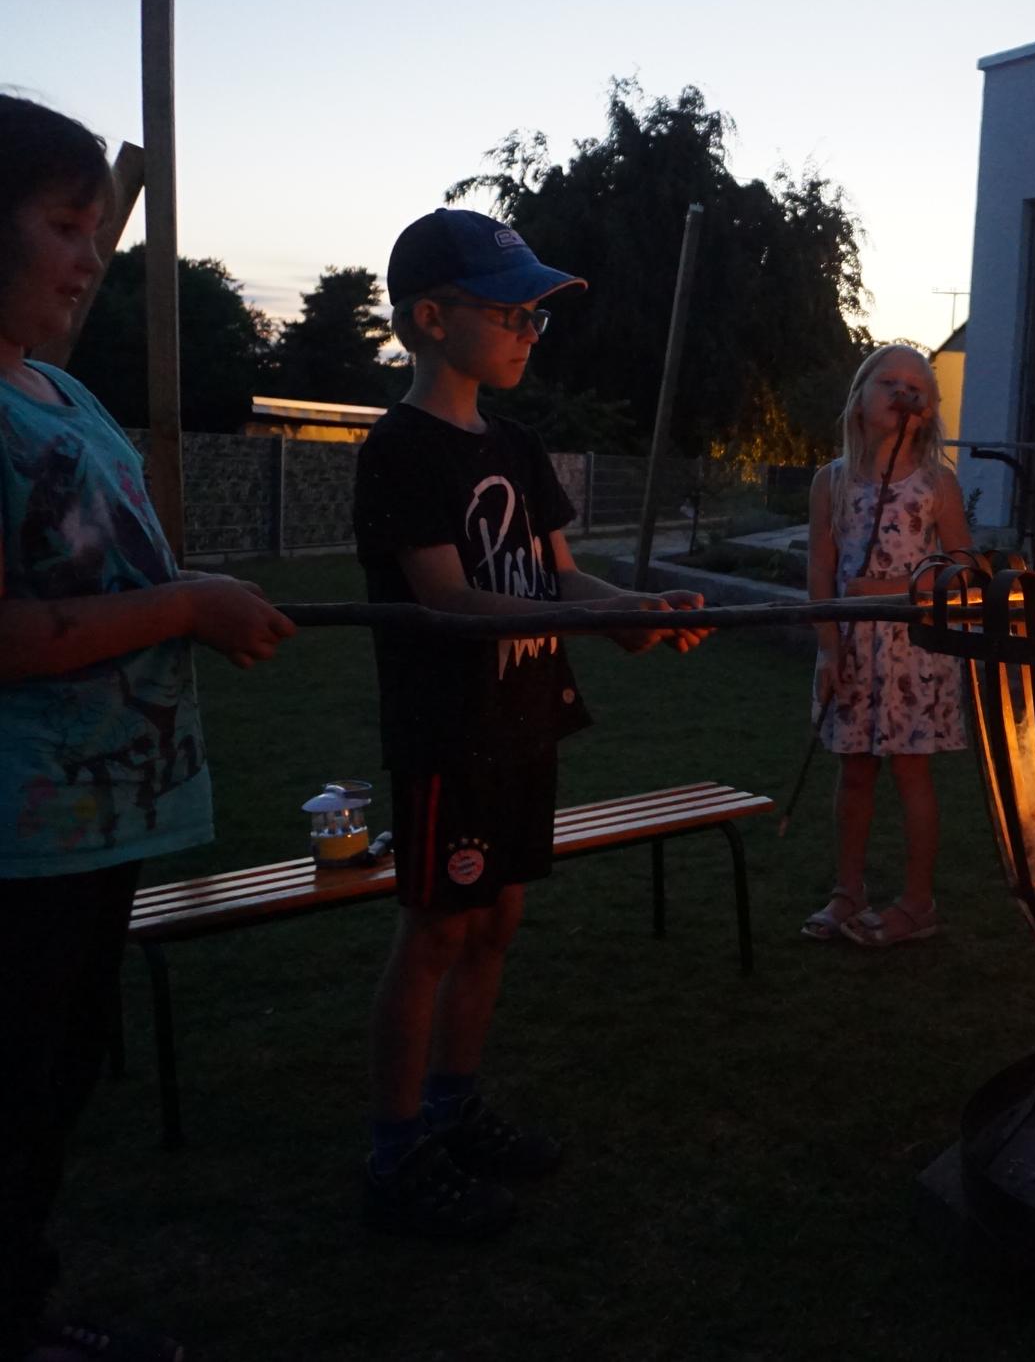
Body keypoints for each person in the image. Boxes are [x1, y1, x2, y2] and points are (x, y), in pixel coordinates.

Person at [0, 95, 294, 1362]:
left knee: (50, 1095)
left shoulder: (57, 388)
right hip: (21, 836)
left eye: (95, 230)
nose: (87, 259)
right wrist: (185, 605)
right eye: (66, 225)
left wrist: (197, 601)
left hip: (99, 819)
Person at [355, 208, 707, 1239]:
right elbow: (444, 601)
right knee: (435, 931)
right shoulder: (400, 450)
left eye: (533, 319)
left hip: (521, 718)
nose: (525, 332)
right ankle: (395, 1148)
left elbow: (559, 574)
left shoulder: (514, 442)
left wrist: (628, 611)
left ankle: (457, 1106)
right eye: (510, 313)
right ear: (431, 317)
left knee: (497, 921)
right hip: (445, 730)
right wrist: (593, 620)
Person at [800, 345, 972, 947]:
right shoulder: (832, 481)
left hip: (913, 653)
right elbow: (821, 568)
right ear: (860, 398)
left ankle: (918, 902)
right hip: (850, 647)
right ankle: (848, 892)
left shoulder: (936, 485)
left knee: (910, 774)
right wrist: (828, 645)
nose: (902, 394)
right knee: (853, 774)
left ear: (928, 410)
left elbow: (965, 568)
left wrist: (895, 588)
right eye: (889, 383)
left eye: (914, 387)